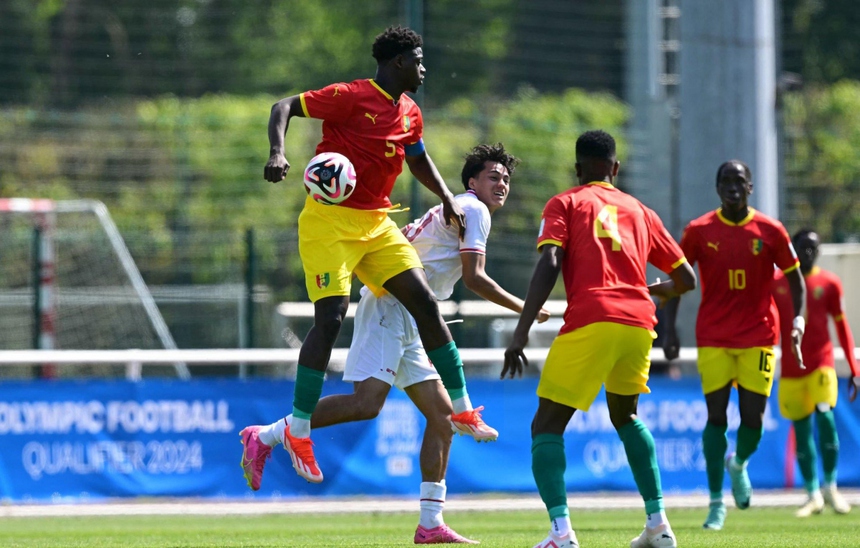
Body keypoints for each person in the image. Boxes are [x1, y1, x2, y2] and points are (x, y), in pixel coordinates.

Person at [241, 26, 496, 487]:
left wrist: (446, 196)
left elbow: (417, 159)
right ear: (397, 61)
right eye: (418, 60)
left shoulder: (411, 113)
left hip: (377, 224)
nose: (424, 68)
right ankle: (297, 430)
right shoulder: (349, 96)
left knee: (424, 303)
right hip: (329, 222)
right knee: (330, 320)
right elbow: (283, 107)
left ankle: (462, 409)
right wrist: (278, 153)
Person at [266, 143, 549, 544]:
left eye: (506, 179)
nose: (502, 184)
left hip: (412, 315)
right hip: (393, 308)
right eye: (493, 176)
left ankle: (431, 522)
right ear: (472, 182)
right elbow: (474, 277)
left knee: (442, 417)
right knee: (367, 405)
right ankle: (269, 435)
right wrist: (527, 308)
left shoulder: (459, 208)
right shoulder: (475, 210)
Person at [503, 130, 696, 548]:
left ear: (577, 170)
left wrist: (521, 331)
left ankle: (562, 534)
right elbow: (686, 279)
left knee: (546, 425)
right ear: (616, 168)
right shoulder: (642, 211)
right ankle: (658, 524)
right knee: (625, 416)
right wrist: (651, 292)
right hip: (640, 323)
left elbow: (551, 259)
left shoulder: (565, 202)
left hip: (594, 316)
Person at [663, 159, 806, 531]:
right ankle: (714, 503)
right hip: (713, 337)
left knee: (754, 420)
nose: (732, 187)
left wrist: (798, 321)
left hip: (759, 334)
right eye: (725, 180)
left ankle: (738, 463)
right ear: (717, 187)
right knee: (715, 418)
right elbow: (678, 279)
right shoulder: (698, 230)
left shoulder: (770, 230)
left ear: (750, 187)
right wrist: (670, 329)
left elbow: (795, 279)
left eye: (739, 181)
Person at [772, 229, 859, 517]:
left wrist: (854, 368)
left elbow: (842, 327)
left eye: (813, 247)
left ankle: (831, 487)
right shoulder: (777, 283)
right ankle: (812, 493)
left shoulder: (829, 283)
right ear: (793, 249)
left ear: (819, 251)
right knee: (801, 428)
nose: (808, 252)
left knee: (825, 416)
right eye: (802, 246)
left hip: (822, 365)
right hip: (791, 369)